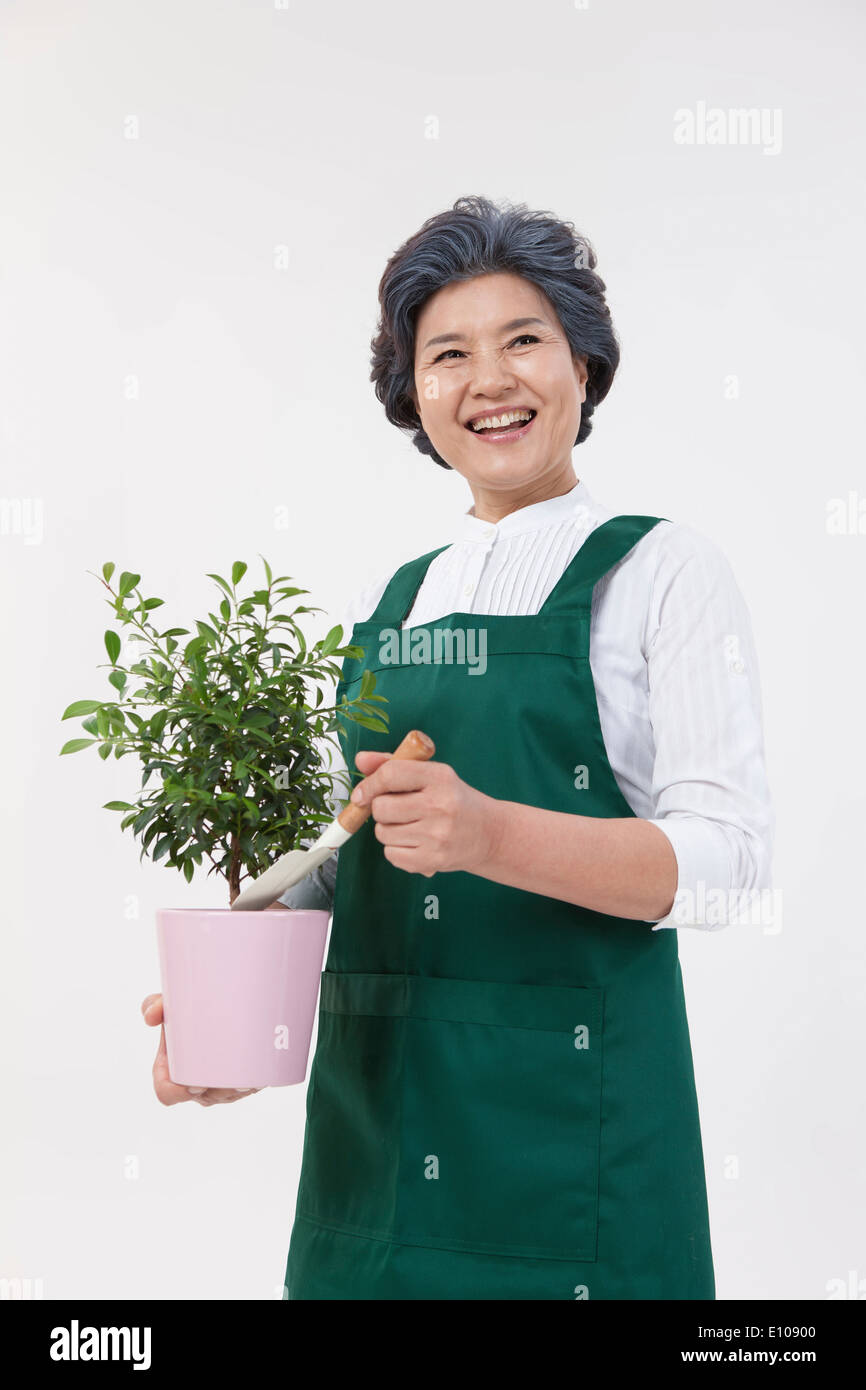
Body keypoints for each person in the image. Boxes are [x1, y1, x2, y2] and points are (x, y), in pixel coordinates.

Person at [144, 195, 774, 1300]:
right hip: (375, 1140)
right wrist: (242, 1011)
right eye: (447, 353)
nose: (488, 379)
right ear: (413, 395)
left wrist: (487, 831)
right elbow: (356, 854)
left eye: (522, 340)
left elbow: (728, 867)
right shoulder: (389, 602)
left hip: (570, 1146)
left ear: (582, 365)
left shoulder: (661, 570)